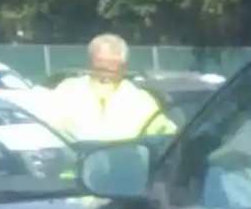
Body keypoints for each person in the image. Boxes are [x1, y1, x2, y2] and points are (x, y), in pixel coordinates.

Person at [46, 35, 177, 143]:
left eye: (112, 71)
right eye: (100, 70)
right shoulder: (68, 90)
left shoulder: (141, 100)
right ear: (90, 63)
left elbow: (167, 136)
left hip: (126, 172)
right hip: (76, 173)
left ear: (124, 68)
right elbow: (46, 132)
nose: (105, 77)